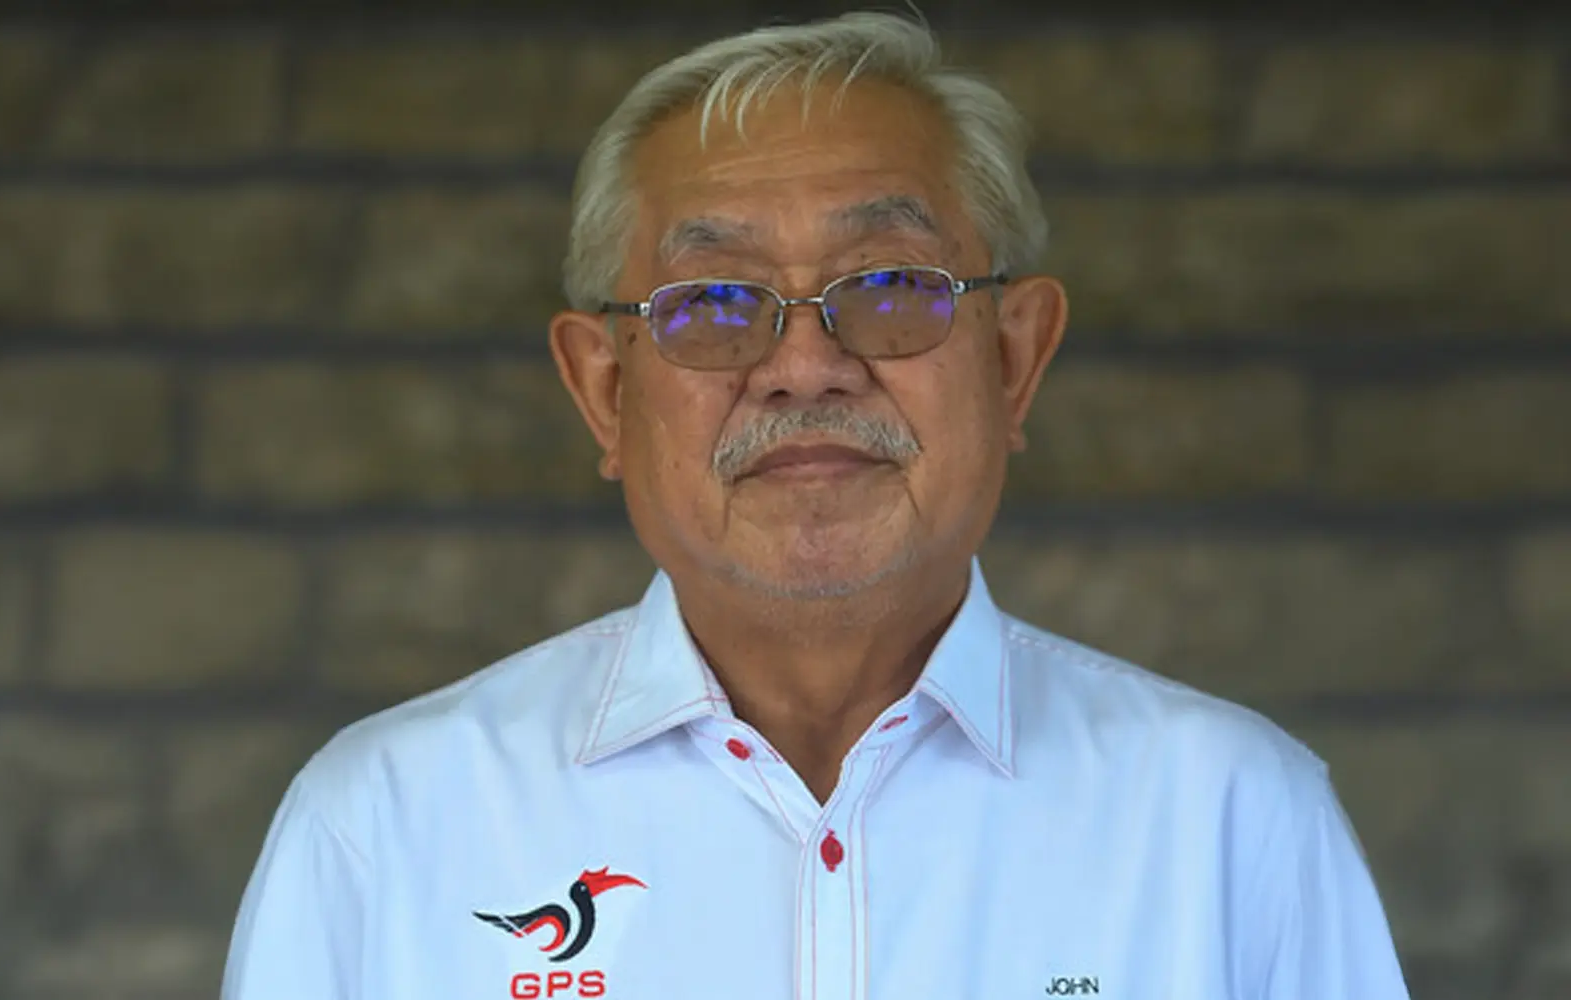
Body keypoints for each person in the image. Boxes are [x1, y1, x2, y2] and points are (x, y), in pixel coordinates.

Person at [222, 12, 1411, 1000]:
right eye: (710, 303)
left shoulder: (1227, 822)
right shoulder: (387, 826)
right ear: (603, 391)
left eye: (889, 285)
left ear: (1013, 360)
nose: (803, 366)